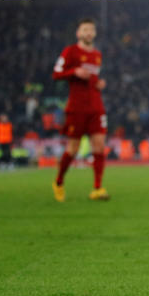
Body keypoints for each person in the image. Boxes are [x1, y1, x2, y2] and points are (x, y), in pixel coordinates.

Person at [51, 17, 110, 201]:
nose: (88, 33)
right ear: (78, 33)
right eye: (85, 30)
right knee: (73, 149)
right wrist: (74, 72)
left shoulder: (97, 55)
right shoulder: (70, 52)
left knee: (99, 146)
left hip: (96, 106)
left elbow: (92, 79)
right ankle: (59, 182)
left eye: (91, 30)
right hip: (76, 107)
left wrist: (98, 84)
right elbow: (56, 74)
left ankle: (97, 188)